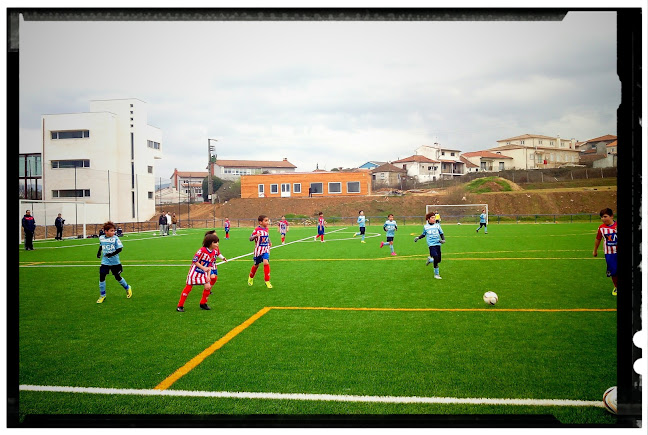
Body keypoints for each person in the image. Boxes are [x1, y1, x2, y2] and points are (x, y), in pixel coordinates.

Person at [176, 232, 226, 312]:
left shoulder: (214, 252)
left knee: (207, 286)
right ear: (210, 243)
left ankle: (203, 303)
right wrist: (203, 267)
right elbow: (194, 261)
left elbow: (210, 265)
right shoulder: (202, 250)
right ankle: (180, 306)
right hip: (195, 272)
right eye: (215, 242)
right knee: (188, 288)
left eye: (217, 242)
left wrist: (208, 275)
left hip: (204, 272)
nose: (217, 244)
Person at [96, 221, 132, 303]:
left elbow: (120, 249)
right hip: (105, 261)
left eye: (113, 231)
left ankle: (127, 287)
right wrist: (99, 252)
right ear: (106, 231)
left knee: (117, 277)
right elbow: (101, 245)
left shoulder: (115, 238)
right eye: (111, 231)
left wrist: (111, 254)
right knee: (102, 277)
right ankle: (102, 295)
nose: (113, 232)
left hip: (115, 262)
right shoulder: (101, 237)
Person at [593, 208, 618, 296]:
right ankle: (616, 287)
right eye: (601, 217)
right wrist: (595, 250)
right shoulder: (601, 228)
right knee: (613, 271)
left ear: (611, 216)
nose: (603, 219)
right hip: (609, 253)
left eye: (605, 216)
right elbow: (598, 239)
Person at [414, 212, 446, 279]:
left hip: (438, 243)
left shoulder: (437, 225)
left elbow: (441, 233)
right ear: (428, 219)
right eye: (432, 218)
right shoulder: (426, 227)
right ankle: (436, 274)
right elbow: (423, 234)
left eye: (434, 217)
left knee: (438, 260)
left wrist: (443, 240)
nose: (434, 219)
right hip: (431, 245)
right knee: (436, 256)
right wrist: (418, 237)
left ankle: (430, 260)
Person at [248, 215, 273, 289]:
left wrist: (269, 242)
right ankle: (251, 277)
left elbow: (267, 237)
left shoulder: (266, 229)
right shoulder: (256, 230)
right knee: (256, 265)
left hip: (266, 249)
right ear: (260, 222)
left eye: (267, 220)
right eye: (265, 221)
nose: (267, 222)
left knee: (266, 262)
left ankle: (267, 281)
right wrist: (256, 235)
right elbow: (250, 238)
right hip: (258, 250)